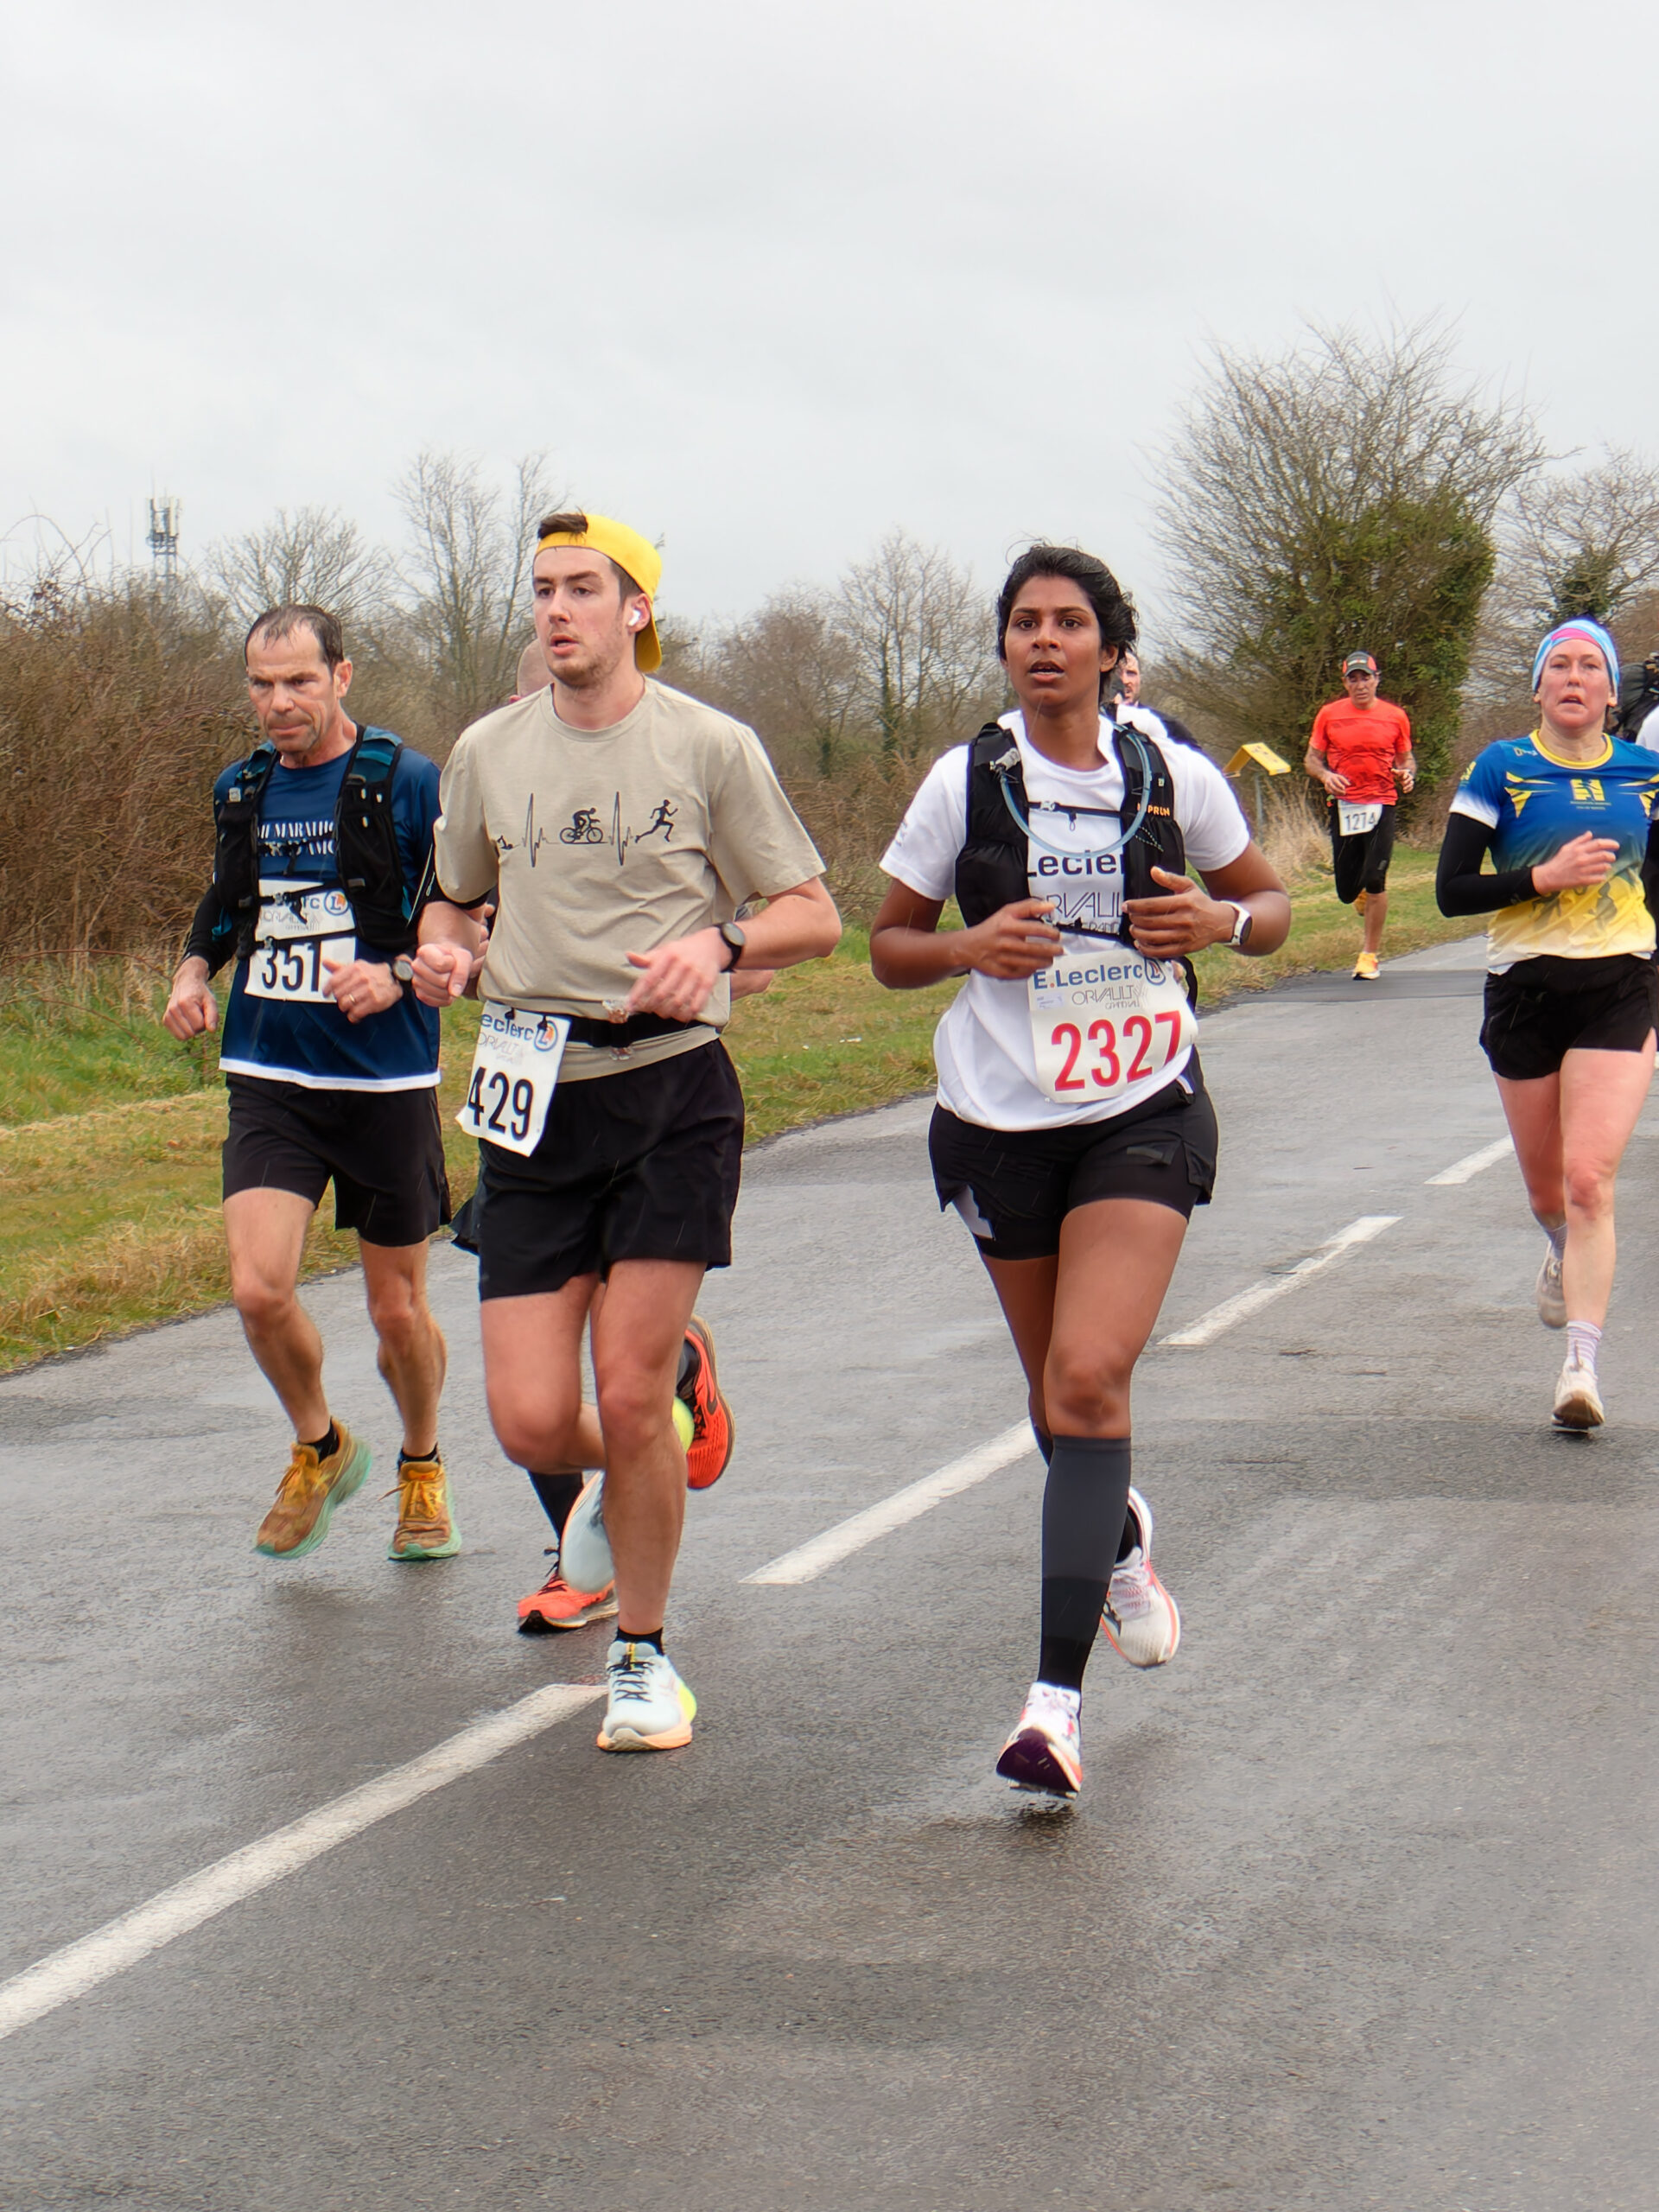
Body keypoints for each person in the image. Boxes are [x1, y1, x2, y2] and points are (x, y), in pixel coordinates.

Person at [413, 510, 841, 1754]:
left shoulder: (709, 744)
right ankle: (660, 1430)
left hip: (669, 1088)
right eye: (542, 589)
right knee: (531, 1421)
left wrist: (721, 942)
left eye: (583, 589)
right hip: (533, 1096)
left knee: (626, 1385)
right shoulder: (487, 750)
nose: (557, 610)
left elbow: (814, 912)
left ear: (636, 610)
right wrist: (444, 953)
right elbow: (453, 899)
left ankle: (644, 1658)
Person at [869, 544, 1290, 1799]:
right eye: (1023, 623)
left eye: (1067, 622)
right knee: (1058, 1401)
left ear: (1110, 649)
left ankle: (1053, 1710)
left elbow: (1270, 907)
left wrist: (1221, 923)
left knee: (1091, 1374)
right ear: (1004, 647)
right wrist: (967, 949)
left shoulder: (1169, 772)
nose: (1044, 641)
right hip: (1000, 1117)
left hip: (1141, 1101)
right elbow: (885, 946)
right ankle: (1116, 1534)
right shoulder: (965, 782)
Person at [162, 606, 460, 1563]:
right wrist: (193, 972)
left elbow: (463, 911)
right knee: (257, 1290)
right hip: (270, 1075)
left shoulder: (406, 781)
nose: (279, 702)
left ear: (342, 676)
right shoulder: (242, 787)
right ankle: (321, 1445)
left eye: (299, 681)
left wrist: (398, 972)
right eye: (262, 683)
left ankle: (422, 1465)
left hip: (383, 1081)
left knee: (396, 1311)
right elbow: (226, 902)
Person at [1436, 618, 1659, 1431]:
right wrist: (1542, 878)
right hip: (1524, 987)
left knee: (1590, 1181)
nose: (1573, 677)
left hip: (1622, 983)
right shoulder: (1500, 768)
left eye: (1589, 666)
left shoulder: (1647, 773)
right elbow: (1451, 891)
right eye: (1557, 665)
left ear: (1611, 691)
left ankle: (1581, 1368)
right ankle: (1561, 1249)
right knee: (1547, 1189)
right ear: (1537, 688)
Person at [1304, 651, 1416, 980]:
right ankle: (1360, 893)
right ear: (1345, 683)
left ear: (1376, 679)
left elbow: (1407, 759)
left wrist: (1407, 774)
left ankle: (1369, 956)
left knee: (1376, 877)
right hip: (1346, 805)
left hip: (1382, 802)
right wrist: (1325, 776)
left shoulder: (1395, 716)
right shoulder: (1329, 715)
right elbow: (1312, 759)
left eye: (1365, 677)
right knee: (1347, 890)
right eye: (1353, 679)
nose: (1360, 685)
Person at [1109, 651, 1205, 753]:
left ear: (1140, 679)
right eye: (1116, 673)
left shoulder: (1169, 727)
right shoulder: (1097, 723)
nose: (1124, 680)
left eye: (1131, 673)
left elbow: (1200, 761)